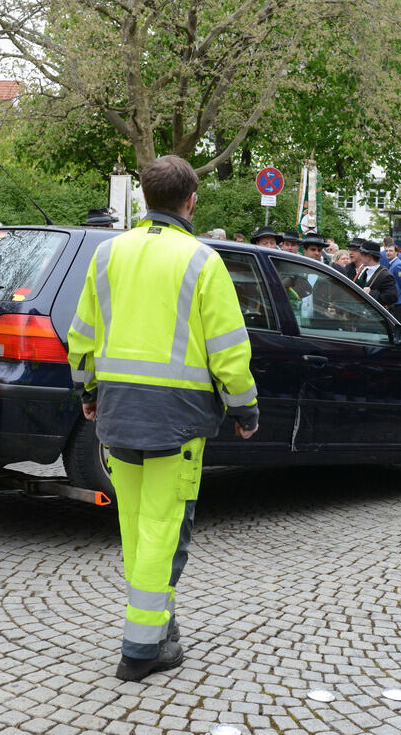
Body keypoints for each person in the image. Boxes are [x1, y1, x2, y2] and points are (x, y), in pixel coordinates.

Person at [67, 155, 259, 680]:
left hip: (119, 412)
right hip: (178, 420)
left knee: (135, 527)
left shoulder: (107, 255)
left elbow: (82, 335)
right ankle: (142, 649)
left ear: (145, 200)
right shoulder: (201, 261)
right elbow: (227, 348)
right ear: (190, 201)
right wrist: (245, 406)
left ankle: (158, 626)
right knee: (164, 531)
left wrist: (87, 392)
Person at [356, 240, 398, 307]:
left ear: (369, 257)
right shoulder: (363, 270)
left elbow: (392, 297)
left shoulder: (386, 275)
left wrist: (371, 293)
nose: (360, 257)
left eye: (362, 254)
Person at [384, 241, 401, 321]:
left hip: (399, 302)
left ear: (396, 253)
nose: (388, 253)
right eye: (387, 251)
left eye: (391, 251)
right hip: (395, 301)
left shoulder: (397, 265)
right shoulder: (392, 264)